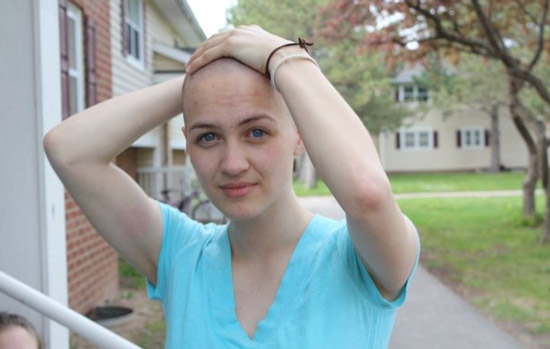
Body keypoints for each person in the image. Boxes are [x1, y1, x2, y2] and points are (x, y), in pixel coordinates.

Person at [44, 25, 419, 348]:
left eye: (257, 132)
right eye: (209, 137)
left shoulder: (361, 258)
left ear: (300, 137)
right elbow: (68, 150)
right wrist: (205, 77)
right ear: (188, 143)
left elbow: (368, 193)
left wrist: (283, 57)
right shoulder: (179, 255)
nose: (233, 163)